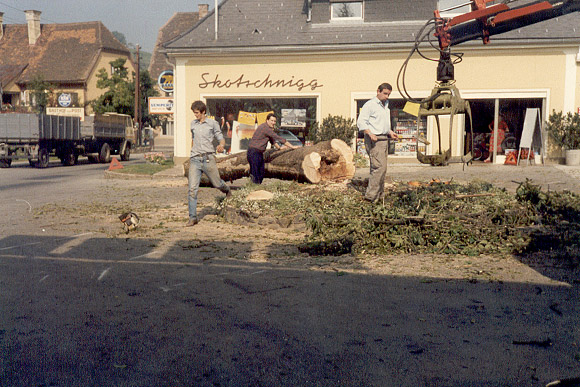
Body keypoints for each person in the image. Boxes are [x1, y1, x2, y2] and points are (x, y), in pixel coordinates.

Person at [187, 100, 231, 227]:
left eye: (197, 113)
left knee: (217, 184)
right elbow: (193, 139)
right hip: (195, 159)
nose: (195, 115)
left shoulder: (212, 123)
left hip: (208, 158)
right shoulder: (193, 124)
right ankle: (193, 217)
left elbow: (220, 137)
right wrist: (191, 153)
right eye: (194, 113)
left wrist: (221, 146)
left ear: (203, 112)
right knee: (192, 189)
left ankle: (227, 190)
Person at [357, 83, 399, 203]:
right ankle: (370, 198)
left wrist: (390, 132)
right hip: (374, 140)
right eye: (385, 93)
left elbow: (381, 123)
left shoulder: (385, 105)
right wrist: (370, 134)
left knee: (383, 168)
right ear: (378, 91)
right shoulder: (370, 105)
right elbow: (361, 122)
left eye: (389, 94)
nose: (387, 96)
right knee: (378, 168)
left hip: (383, 139)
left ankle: (379, 196)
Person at [247, 113, 298, 184]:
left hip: (258, 153)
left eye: (274, 121)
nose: (273, 123)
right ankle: (254, 190)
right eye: (272, 121)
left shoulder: (267, 128)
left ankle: (256, 188)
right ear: (267, 120)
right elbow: (278, 138)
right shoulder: (265, 128)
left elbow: (272, 140)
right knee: (256, 174)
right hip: (254, 152)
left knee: (261, 172)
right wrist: (292, 146)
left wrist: (279, 148)